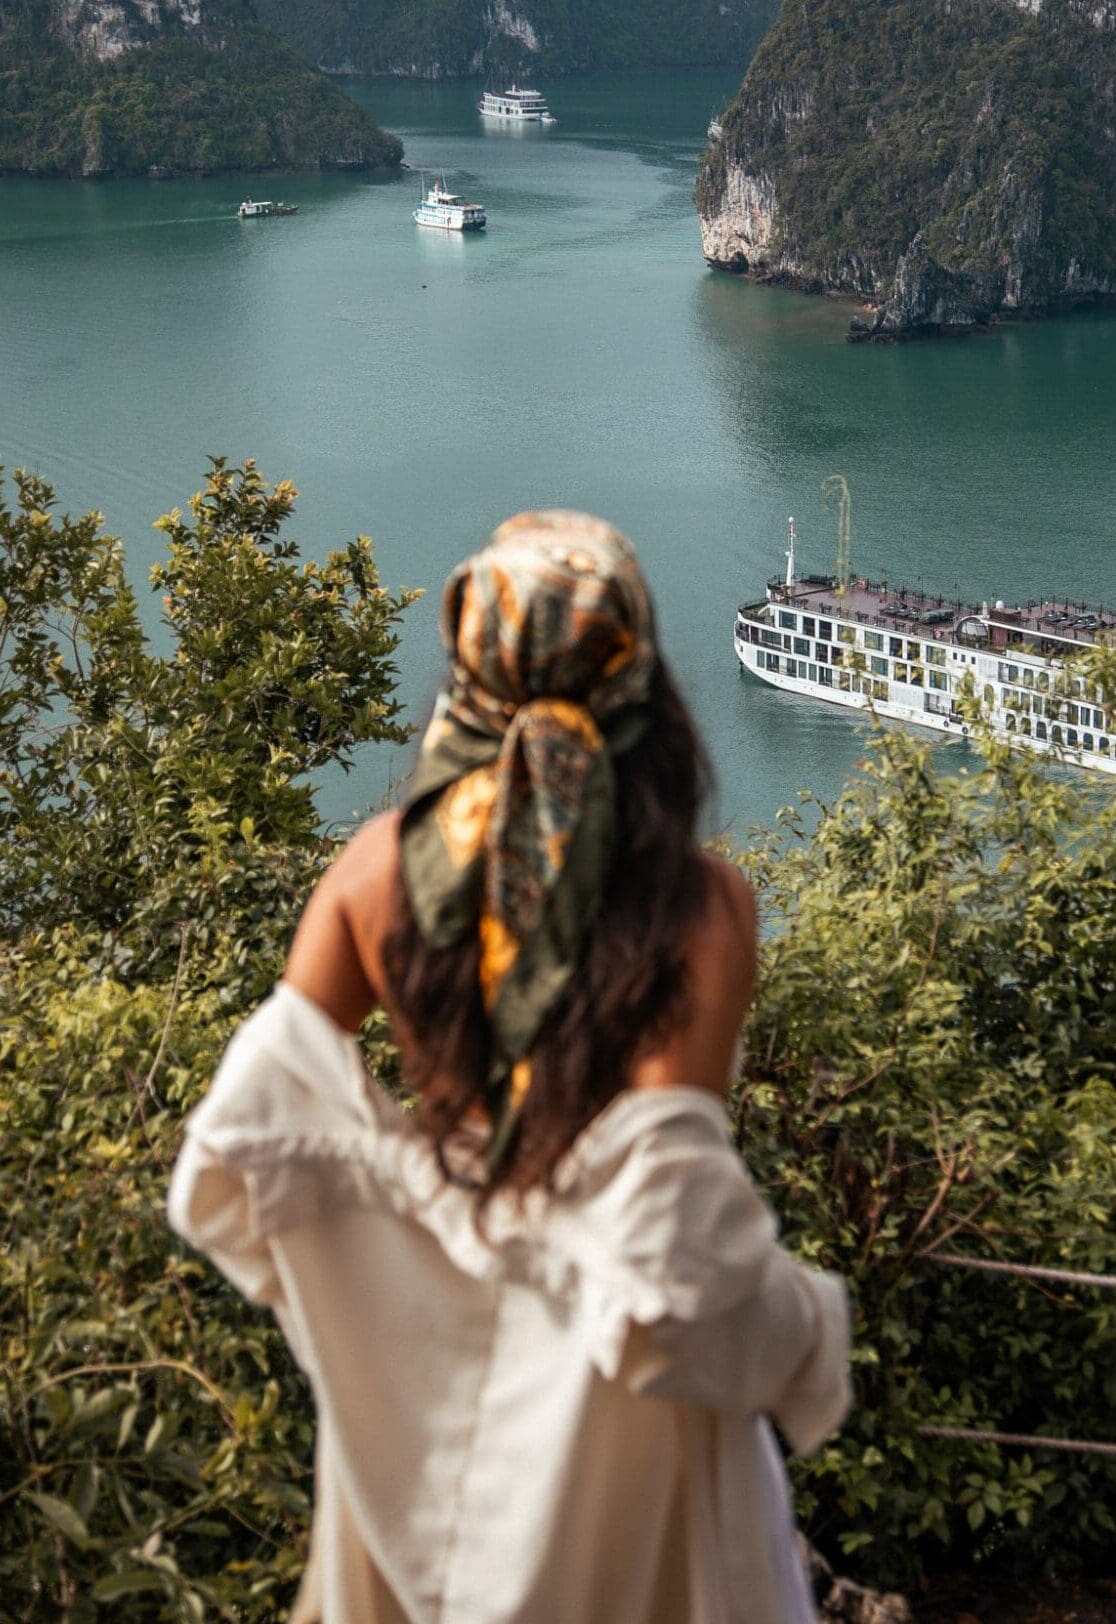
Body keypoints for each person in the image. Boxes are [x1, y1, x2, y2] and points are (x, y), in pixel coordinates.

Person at [168, 510, 850, 1624]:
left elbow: (244, 1136)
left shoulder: (370, 873)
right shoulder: (702, 907)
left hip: (414, 1372)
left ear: (464, 668)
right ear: (638, 677)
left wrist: (389, 1215)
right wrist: (808, 1335)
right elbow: (669, 1238)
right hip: (617, 1405)